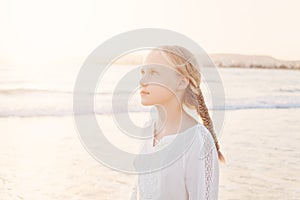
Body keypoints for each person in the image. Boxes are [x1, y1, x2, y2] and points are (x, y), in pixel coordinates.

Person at [130, 45, 225, 200]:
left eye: (154, 72)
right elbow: (137, 191)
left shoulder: (198, 141)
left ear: (182, 82)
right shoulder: (148, 129)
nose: (142, 81)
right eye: (143, 72)